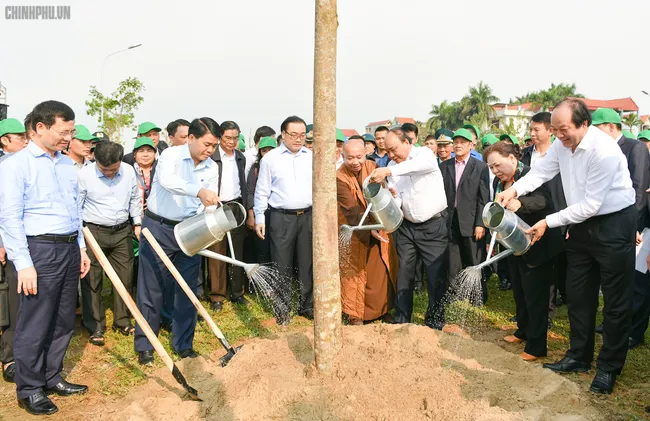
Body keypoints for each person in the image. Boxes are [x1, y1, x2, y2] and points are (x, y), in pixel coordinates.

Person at [497, 99, 636, 395]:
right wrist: (514, 189)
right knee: (578, 293)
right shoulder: (561, 145)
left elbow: (591, 205)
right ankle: (578, 356)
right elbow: (540, 173)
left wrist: (549, 221)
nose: (558, 136)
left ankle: (609, 367)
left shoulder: (605, 151)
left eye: (564, 129)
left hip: (613, 224)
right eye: (555, 130)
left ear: (584, 124)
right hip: (579, 225)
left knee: (614, 300)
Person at [0, 100, 92, 415]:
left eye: (71, 132)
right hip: (38, 250)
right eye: (64, 131)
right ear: (41, 127)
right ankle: (29, 389)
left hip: (67, 248)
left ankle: (52, 376)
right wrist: (23, 264)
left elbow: (74, 211)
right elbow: (9, 218)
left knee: (64, 318)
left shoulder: (66, 164)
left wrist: (79, 247)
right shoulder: (16, 164)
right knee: (35, 322)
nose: (69, 137)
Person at [135, 117, 221, 365]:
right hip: (159, 228)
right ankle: (146, 345)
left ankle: (183, 343)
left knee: (187, 288)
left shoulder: (211, 167)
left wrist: (210, 226)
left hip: (190, 230)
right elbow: (168, 182)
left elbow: (209, 203)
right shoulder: (171, 156)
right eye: (206, 144)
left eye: (213, 146)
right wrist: (198, 191)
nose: (209, 150)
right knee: (151, 289)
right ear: (191, 138)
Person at [484, 141, 563, 361]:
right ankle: (523, 330)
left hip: (538, 244)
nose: (495, 171)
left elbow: (545, 200)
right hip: (514, 245)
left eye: (497, 165)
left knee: (535, 296)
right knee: (520, 291)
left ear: (512, 159)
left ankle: (537, 345)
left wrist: (520, 204)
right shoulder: (499, 183)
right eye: (491, 167)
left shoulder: (532, 174)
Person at [368, 128, 448, 329]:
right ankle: (402, 318)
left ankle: (435, 320)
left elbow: (417, 166)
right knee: (404, 272)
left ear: (407, 141)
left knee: (435, 275)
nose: (392, 155)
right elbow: (400, 198)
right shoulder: (394, 166)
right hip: (406, 228)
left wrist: (388, 170)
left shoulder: (424, 154)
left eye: (394, 149)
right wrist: (393, 198)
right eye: (388, 152)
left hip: (433, 226)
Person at [591, 107, 650, 345]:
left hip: (635, 227)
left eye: (597, 128)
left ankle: (633, 332)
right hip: (608, 226)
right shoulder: (600, 150)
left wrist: (632, 226)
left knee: (636, 282)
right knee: (614, 279)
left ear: (611, 127)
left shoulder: (634, 148)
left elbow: (638, 189)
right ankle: (611, 322)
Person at [78, 141, 142, 346]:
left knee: (125, 276)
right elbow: (76, 207)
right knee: (92, 279)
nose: (109, 174)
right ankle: (95, 325)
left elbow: (134, 197)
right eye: (104, 170)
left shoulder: (129, 171)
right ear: (95, 161)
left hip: (122, 230)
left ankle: (122, 320)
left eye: (113, 170)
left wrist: (137, 223)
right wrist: (80, 241)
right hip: (93, 231)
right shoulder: (84, 175)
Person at [254, 116, 313, 323]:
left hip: (307, 216)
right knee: (282, 263)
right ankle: (282, 308)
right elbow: (261, 191)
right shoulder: (271, 158)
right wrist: (259, 217)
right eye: (294, 135)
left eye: (303, 135)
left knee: (307, 262)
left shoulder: (311, 157)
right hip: (281, 217)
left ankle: (307, 305)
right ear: (283, 135)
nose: (299, 139)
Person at [337, 138, 398, 325]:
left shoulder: (373, 167)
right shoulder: (339, 177)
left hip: (379, 223)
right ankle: (355, 313)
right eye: (350, 158)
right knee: (354, 274)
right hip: (356, 229)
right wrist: (369, 228)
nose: (355, 162)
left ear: (365, 154)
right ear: (343, 157)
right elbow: (351, 209)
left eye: (359, 157)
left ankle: (382, 310)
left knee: (381, 270)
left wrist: (389, 195)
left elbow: (382, 192)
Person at [440, 128, 489, 301]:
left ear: (471, 145)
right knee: (453, 260)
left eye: (462, 142)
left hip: (471, 221)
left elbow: (484, 198)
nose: (458, 145)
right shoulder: (444, 166)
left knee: (474, 259)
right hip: (450, 220)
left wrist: (480, 223)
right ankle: (454, 294)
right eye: (456, 142)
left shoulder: (480, 167)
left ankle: (477, 295)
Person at [206, 121, 249, 311]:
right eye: (228, 138)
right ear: (219, 138)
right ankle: (217, 296)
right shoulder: (212, 157)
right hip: (216, 207)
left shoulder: (240, 157)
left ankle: (237, 293)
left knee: (237, 251)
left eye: (235, 138)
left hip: (236, 205)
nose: (232, 142)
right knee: (217, 252)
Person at [0, 117, 28, 384]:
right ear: (4, 140)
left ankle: (18, 356)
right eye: (19, 136)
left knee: (16, 301)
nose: (24, 140)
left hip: (20, 245)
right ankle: (8, 358)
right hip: (5, 244)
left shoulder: (27, 164)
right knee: (7, 304)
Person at [246, 137, 277, 263]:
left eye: (271, 150)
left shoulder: (282, 166)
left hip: (278, 215)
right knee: (262, 249)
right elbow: (250, 192)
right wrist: (252, 215)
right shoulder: (255, 168)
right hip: (261, 214)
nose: (267, 154)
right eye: (264, 151)